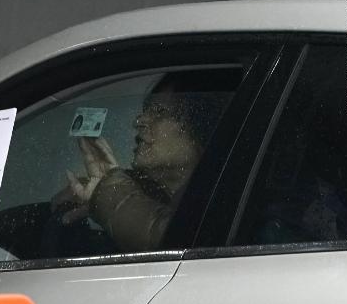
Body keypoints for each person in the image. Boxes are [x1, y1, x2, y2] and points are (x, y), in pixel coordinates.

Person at [55, 69, 239, 251]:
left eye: (159, 112)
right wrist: (101, 190)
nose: (138, 122)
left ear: (202, 126)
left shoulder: (233, 207)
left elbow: (189, 246)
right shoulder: (139, 191)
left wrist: (110, 195)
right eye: (145, 111)